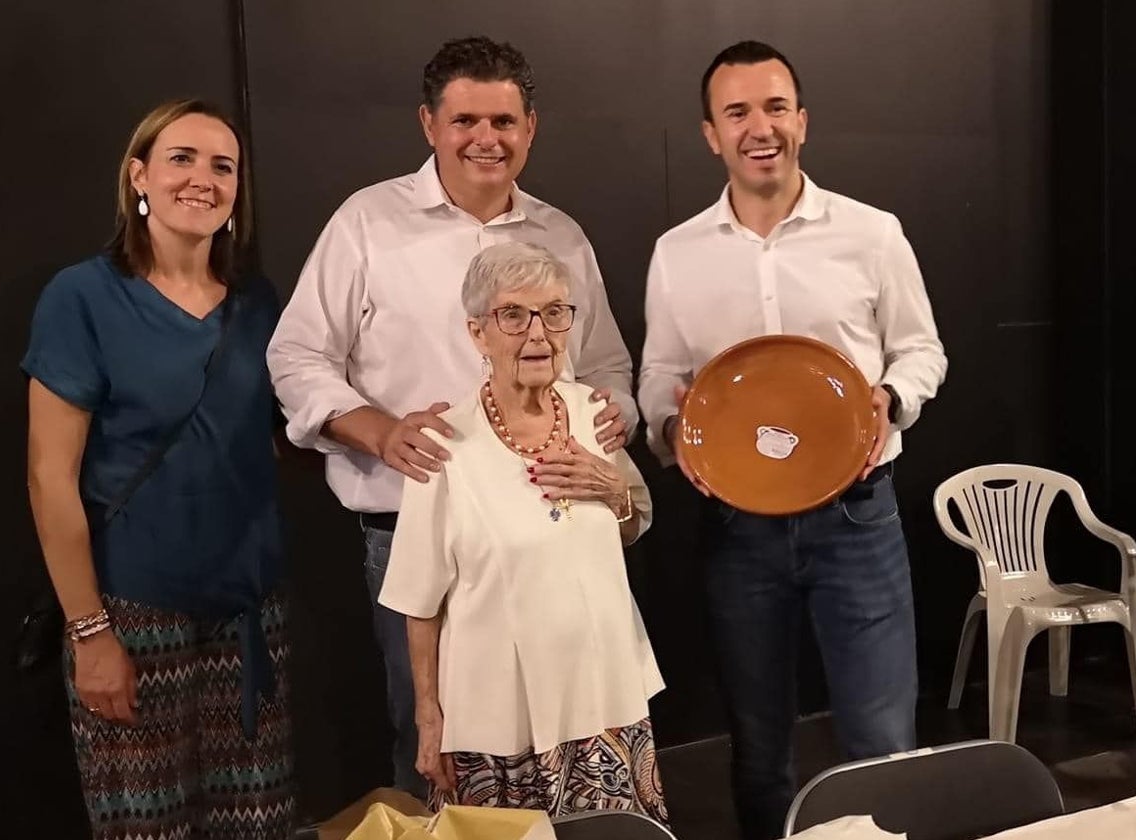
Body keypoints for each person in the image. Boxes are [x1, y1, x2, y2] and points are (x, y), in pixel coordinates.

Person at [267, 36, 635, 796]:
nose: (485, 139)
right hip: (415, 536)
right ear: (428, 124)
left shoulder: (561, 237)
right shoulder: (367, 224)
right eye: (465, 119)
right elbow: (296, 356)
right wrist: (377, 430)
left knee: (568, 737)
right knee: (438, 744)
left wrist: (608, 426)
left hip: (554, 537)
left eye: (503, 121)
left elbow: (607, 371)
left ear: (530, 128)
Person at [638, 41, 948, 840]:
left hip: (859, 519)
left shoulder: (871, 234)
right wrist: (676, 433)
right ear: (711, 133)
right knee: (758, 751)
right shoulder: (677, 254)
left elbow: (923, 350)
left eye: (775, 107)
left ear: (802, 120)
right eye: (737, 111)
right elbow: (659, 378)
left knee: (884, 745)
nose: (759, 127)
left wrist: (891, 398)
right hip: (739, 531)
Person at [23, 99, 293, 839]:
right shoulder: (81, 297)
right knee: (149, 829)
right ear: (138, 174)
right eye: (182, 158)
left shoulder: (257, 302)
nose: (202, 178)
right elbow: (50, 478)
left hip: (249, 613)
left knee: (258, 826)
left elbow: (270, 437)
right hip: (133, 613)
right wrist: (89, 632)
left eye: (222, 165)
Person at [378, 241, 666, 821]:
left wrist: (612, 489)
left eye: (555, 312)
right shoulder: (442, 443)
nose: (538, 335)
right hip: (497, 725)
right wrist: (428, 718)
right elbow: (417, 599)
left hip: (604, 700)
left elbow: (633, 523)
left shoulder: (592, 412)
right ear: (478, 332)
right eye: (514, 315)